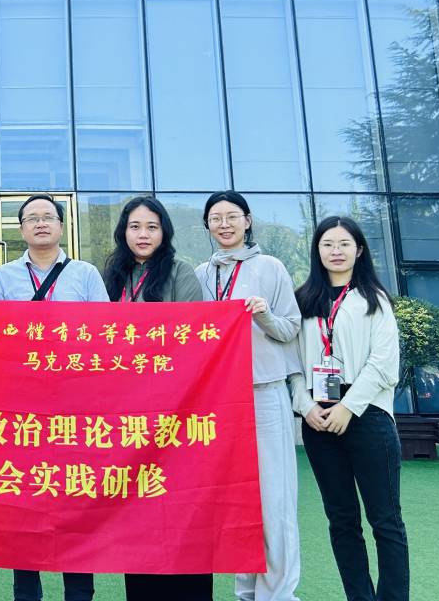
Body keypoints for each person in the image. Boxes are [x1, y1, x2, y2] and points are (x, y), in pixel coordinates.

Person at [0, 193, 108, 601]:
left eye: (48, 217)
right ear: (21, 229)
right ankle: (26, 592)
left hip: (76, 407)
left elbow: (105, 333)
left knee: (77, 500)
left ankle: (80, 592)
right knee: (26, 500)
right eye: (32, 218)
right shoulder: (4, 278)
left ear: (60, 225)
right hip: (24, 408)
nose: (40, 223)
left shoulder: (85, 274)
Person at [290, 216, 407, 601]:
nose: (335, 251)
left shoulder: (375, 300)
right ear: (317, 251)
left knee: (385, 520)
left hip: (368, 417)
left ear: (359, 250)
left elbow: (383, 364)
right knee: (341, 521)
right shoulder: (303, 300)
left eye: (344, 244)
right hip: (317, 420)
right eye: (327, 244)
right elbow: (291, 364)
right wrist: (305, 406)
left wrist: (349, 407)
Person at [102, 196, 212, 601]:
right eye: (135, 226)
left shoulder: (181, 272)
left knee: (182, 508)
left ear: (164, 232)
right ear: (123, 232)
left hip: (176, 412)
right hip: (127, 415)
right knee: (137, 510)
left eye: (152, 226)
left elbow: (195, 337)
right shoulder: (112, 275)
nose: (143, 234)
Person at [195, 191, 301, 601]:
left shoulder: (271, 267)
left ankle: (279, 593)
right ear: (207, 225)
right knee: (237, 500)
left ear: (248, 220)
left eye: (232, 216)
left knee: (275, 499)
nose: (224, 224)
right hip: (218, 400)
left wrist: (264, 315)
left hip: (263, 392)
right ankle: (246, 591)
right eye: (216, 218)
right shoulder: (201, 274)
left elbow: (290, 329)